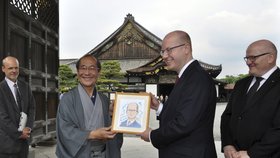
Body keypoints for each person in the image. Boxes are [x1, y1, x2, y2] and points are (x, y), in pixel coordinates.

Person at [140, 30, 217, 158]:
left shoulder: (197, 78)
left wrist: (151, 135)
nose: (164, 56)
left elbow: (184, 123)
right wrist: (159, 107)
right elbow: (182, 112)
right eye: (162, 51)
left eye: (169, 50)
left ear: (186, 48)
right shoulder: (186, 77)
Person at [221, 39, 280, 158]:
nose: (248, 62)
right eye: (246, 58)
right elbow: (227, 116)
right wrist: (227, 144)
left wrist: (252, 154)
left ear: (270, 58)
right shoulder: (241, 84)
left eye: (253, 57)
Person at [56, 54, 123, 158]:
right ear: (77, 72)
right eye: (83, 68)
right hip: (80, 154)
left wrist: (112, 114)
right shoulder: (68, 99)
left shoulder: (104, 99)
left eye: (92, 68)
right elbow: (65, 130)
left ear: (98, 72)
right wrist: (93, 134)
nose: (87, 73)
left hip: (103, 153)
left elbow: (110, 127)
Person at [0, 56, 35, 158]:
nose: (14, 71)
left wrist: (28, 127)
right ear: (3, 69)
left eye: (16, 68)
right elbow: (2, 117)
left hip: (24, 144)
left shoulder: (25, 86)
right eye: (10, 68)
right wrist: (19, 133)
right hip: (7, 144)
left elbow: (31, 108)